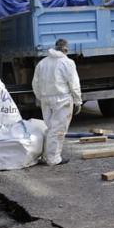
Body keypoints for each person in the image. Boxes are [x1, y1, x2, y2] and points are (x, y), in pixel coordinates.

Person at [32, 38, 82, 166]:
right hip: (62, 98)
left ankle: (46, 155)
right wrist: (77, 101)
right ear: (65, 49)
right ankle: (53, 158)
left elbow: (35, 83)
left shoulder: (42, 63)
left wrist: (40, 96)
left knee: (50, 128)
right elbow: (74, 84)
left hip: (45, 98)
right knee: (58, 130)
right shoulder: (67, 62)